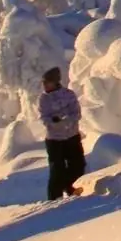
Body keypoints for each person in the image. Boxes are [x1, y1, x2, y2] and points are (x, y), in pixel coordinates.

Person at [39, 66, 86, 201]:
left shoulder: (68, 94)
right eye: (44, 82)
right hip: (54, 140)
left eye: (47, 82)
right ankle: (54, 198)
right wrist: (54, 121)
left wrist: (66, 120)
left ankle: (71, 188)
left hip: (72, 136)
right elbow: (44, 117)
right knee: (56, 170)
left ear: (55, 82)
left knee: (78, 166)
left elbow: (76, 113)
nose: (45, 85)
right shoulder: (44, 99)